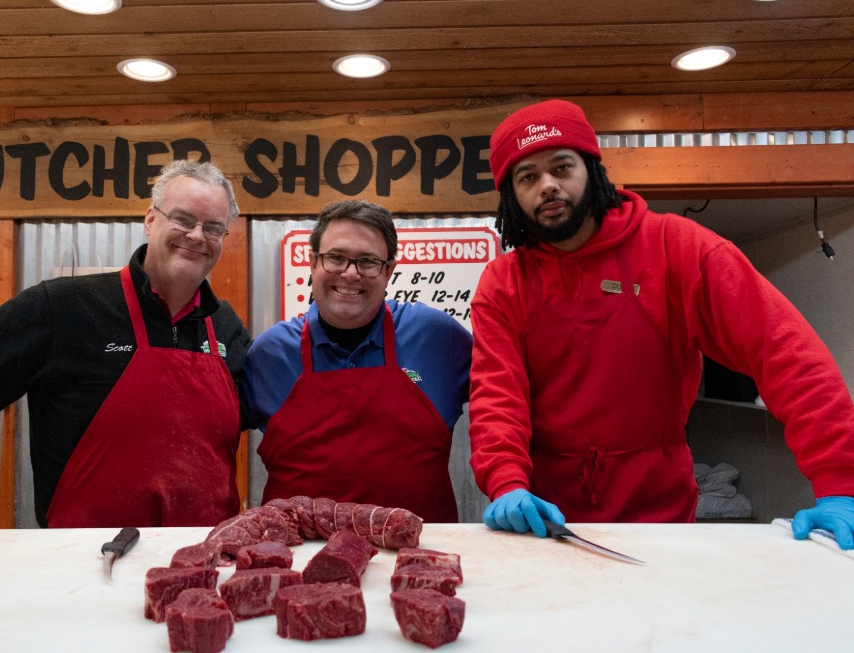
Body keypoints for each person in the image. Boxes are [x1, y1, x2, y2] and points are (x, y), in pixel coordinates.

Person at [469, 99, 854, 548]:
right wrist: (506, 482)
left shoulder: (681, 248)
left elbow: (787, 355)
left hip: (660, 513)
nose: (548, 186)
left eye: (561, 167)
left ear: (592, 169)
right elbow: (499, 395)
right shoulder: (503, 283)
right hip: (543, 516)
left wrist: (841, 484)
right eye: (528, 177)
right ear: (511, 196)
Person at [0, 160, 251, 551]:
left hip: (204, 560)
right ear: (150, 220)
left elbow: (280, 415)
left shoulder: (226, 328)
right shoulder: (62, 308)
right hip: (82, 564)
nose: (197, 235)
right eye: (183, 219)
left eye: (213, 227)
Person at [240, 200, 473, 522]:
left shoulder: (436, 336)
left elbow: (508, 400)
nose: (350, 274)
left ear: (389, 270)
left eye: (367, 261)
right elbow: (212, 438)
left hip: (418, 556)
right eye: (336, 258)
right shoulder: (271, 353)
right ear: (313, 263)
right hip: (300, 558)